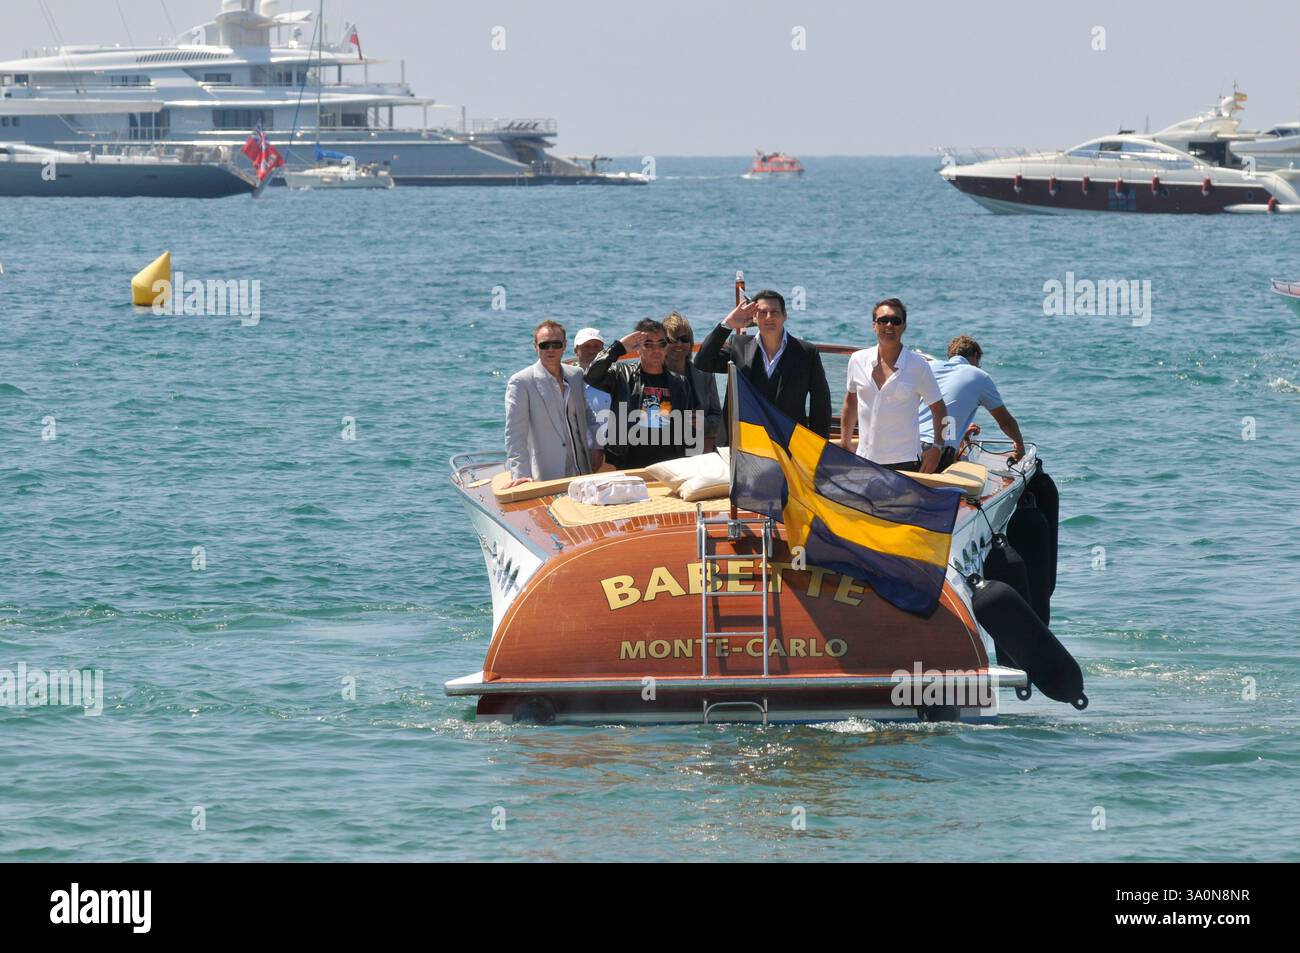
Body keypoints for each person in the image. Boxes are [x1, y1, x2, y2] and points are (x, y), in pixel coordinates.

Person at [694, 289, 832, 437]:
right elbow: (703, 361)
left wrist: (817, 449)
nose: (769, 317)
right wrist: (727, 324)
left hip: (788, 445)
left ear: (785, 315)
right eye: (762, 312)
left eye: (775, 312)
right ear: (754, 317)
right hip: (742, 444)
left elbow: (821, 406)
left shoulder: (806, 353)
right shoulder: (738, 347)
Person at [839, 298, 947, 473]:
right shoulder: (857, 360)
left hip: (904, 464)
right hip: (863, 460)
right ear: (874, 325)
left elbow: (940, 410)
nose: (889, 325)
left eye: (895, 321)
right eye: (883, 320)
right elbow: (851, 402)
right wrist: (845, 441)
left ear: (903, 326)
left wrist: (937, 448)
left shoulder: (919, 366)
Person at [584, 318, 697, 468]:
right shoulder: (621, 375)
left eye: (661, 344)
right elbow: (591, 376)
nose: (656, 350)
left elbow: (688, 430)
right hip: (629, 462)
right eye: (648, 344)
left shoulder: (680, 383)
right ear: (637, 348)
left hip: (670, 465)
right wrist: (618, 348)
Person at [504, 320, 603, 487]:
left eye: (556, 344)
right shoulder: (521, 382)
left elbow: (588, 416)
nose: (551, 349)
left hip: (582, 472)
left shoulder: (576, 375)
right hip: (546, 475)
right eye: (544, 345)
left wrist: (597, 446)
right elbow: (515, 434)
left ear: (564, 346)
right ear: (535, 346)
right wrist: (521, 475)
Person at [918, 335, 1027, 469]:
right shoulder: (979, 376)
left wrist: (961, 433)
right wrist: (1020, 446)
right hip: (937, 451)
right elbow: (1006, 422)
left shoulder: (929, 367)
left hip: (906, 446)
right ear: (975, 356)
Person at [663, 311, 723, 449]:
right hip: (662, 448)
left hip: (698, 449)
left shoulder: (704, 374)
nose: (679, 344)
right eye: (672, 340)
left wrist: (704, 423)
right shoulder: (653, 374)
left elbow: (718, 418)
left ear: (690, 343)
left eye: (684, 339)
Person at [573, 327, 612, 422]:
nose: (592, 351)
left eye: (596, 346)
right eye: (586, 346)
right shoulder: (567, 380)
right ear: (576, 350)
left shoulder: (615, 378)